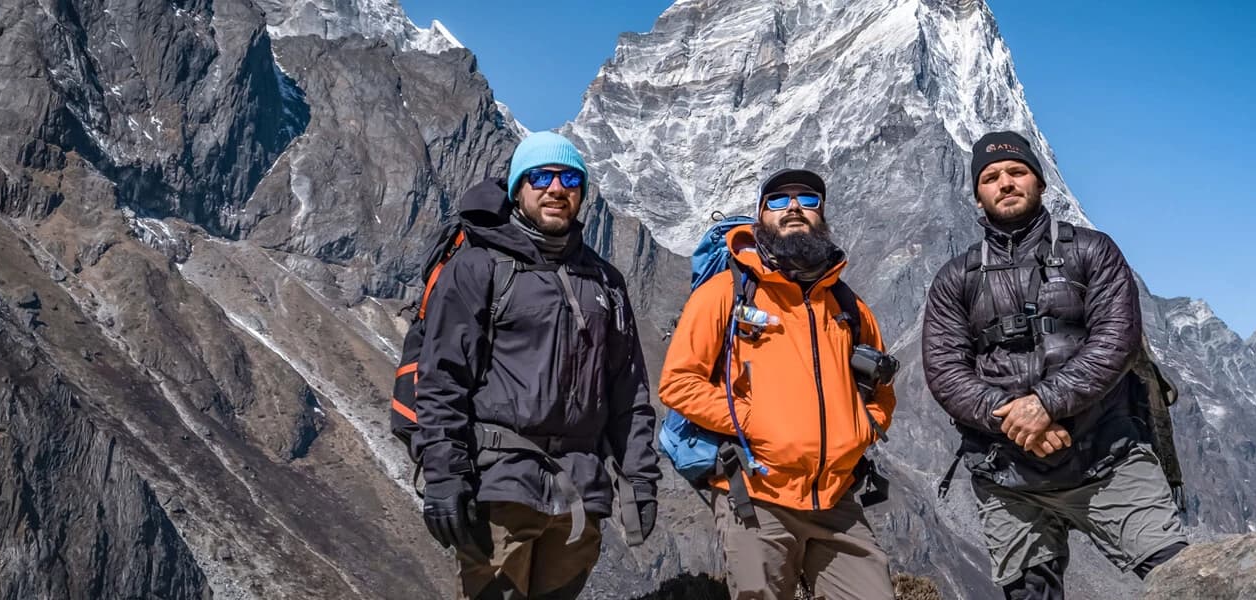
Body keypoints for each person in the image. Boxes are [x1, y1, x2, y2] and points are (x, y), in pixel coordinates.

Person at [922, 131, 1188, 599]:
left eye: (1017, 172)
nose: (1005, 182)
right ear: (977, 195)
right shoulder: (953, 280)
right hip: (1008, 476)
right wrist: (1017, 419)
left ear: (1041, 183)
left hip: (1109, 456)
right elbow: (945, 370)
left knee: (1182, 578)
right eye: (991, 177)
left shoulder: (1093, 251)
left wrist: (1044, 404)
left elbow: (1118, 341)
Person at [413, 132, 660, 599]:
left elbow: (629, 393)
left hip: (580, 492)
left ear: (582, 192)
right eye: (540, 176)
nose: (555, 188)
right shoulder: (478, 268)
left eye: (569, 178)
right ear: (518, 190)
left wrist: (640, 480)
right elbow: (443, 380)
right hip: (499, 484)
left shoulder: (605, 282)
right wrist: (445, 476)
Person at [659, 169, 899, 600]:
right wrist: (753, 420)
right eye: (778, 201)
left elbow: (881, 391)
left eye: (807, 200)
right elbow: (679, 383)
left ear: (821, 215)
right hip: (757, 494)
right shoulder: (724, 294)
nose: (792, 208)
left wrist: (860, 429)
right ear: (760, 216)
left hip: (835, 498)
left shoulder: (848, 306)